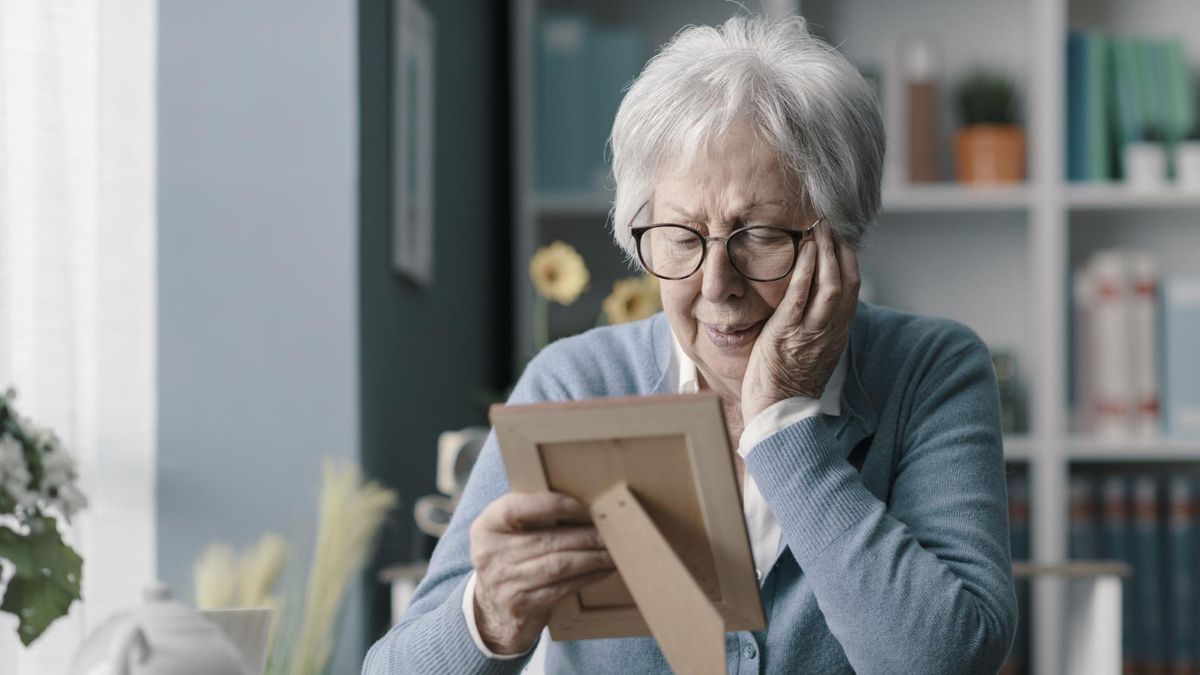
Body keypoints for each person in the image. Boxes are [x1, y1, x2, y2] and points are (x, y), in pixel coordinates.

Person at [364, 14, 1016, 675]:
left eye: (758, 235)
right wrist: (488, 617)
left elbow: (943, 659)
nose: (715, 285)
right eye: (681, 235)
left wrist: (782, 421)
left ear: (838, 236)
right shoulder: (576, 384)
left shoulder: (931, 372)